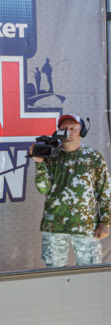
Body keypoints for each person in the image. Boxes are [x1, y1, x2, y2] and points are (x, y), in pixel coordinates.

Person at [30, 113, 110, 267]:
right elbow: (43, 189)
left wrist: (105, 222)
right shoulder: (50, 156)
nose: (68, 132)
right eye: (64, 128)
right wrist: (39, 163)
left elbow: (105, 192)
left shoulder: (94, 158)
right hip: (54, 226)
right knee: (54, 273)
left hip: (86, 226)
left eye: (73, 128)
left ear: (82, 132)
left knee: (89, 272)